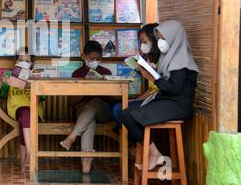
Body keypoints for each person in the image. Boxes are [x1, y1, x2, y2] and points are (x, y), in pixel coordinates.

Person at [121, 20, 199, 170]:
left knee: (128, 116)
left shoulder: (181, 61)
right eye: (159, 39)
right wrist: (154, 73)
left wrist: (154, 78)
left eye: (163, 38)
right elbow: (166, 85)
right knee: (128, 112)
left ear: (175, 38)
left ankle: (154, 154)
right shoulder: (168, 56)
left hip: (177, 105)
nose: (161, 42)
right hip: (167, 101)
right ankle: (154, 153)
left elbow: (174, 89)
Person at [59, 40, 113, 174]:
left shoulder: (106, 72)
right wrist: (87, 88)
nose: (95, 61)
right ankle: (86, 159)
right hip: (83, 112)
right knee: (90, 120)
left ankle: (72, 137)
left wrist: (101, 89)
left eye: (98, 58)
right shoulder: (77, 74)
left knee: (94, 102)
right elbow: (72, 102)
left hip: (103, 110)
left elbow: (114, 98)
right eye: (92, 58)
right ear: (84, 57)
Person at [0, 47, 45, 172]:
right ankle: (29, 150)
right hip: (15, 108)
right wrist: (2, 82)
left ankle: (24, 160)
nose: (24, 62)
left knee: (25, 117)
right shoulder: (9, 75)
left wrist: (32, 84)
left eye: (27, 60)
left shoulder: (35, 75)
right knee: (25, 112)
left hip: (34, 110)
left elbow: (41, 97)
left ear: (31, 63)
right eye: (21, 60)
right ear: (16, 61)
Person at [110, 23, 161, 127]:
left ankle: (142, 140)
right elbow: (153, 89)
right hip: (153, 99)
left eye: (144, 42)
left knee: (118, 110)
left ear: (154, 40)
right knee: (113, 107)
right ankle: (137, 138)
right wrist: (137, 99)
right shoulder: (153, 59)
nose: (142, 45)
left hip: (160, 103)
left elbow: (160, 88)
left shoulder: (163, 61)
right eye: (141, 42)